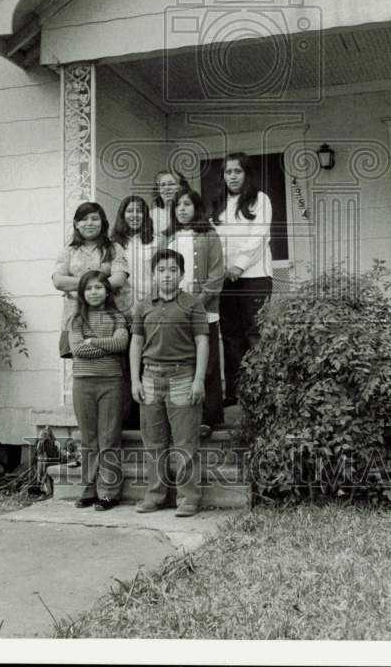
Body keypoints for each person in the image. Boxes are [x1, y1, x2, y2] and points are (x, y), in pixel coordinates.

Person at [130, 249, 209, 517]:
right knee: (153, 443)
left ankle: (189, 498)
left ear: (182, 274)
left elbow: (202, 341)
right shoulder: (142, 305)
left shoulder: (193, 304)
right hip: (150, 377)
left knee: (185, 442)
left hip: (183, 377)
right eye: (161, 270)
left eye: (173, 270)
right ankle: (155, 495)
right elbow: (136, 343)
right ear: (153, 274)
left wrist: (199, 380)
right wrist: (135, 380)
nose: (167, 275)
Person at [210, 153, 273, 406]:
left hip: (254, 275)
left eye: (237, 171)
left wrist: (239, 265)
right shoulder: (218, 204)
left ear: (247, 174)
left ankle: (261, 390)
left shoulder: (259, 200)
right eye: (228, 172)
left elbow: (258, 235)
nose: (232, 176)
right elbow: (213, 241)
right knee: (231, 335)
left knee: (254, 332)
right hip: (224, 278)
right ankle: (236, 392)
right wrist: (219, 271)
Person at [164, 188, 225, 433]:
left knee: (207, 365)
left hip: (202, 310)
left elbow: (216, 275)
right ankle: (180, 417)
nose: (182, 209)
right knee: (181, 363)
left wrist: (196, 303)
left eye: (187, 204)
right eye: (178, 205)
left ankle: (208, 418)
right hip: (175, 311)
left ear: (196, 207)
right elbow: (159, 273)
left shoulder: (209, 235)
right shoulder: (168, 238)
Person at [67, 270, 129, 511]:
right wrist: (105, 346)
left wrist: (92, 341)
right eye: (89, 288)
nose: (94, 292)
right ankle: (89, 489)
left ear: (107, 291)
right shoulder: (76, 320)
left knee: (109, 438)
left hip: (111, 383)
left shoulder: (117, 318)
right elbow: (77, 350)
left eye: (99, 287)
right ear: (82, 293)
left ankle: (110, 492)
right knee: (89, 440)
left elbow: (121, 343)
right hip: (83, 383)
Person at [52, 201, 128, 335]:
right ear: (76, 224)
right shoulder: (68, 251)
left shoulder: (114, 249)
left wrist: (75, 284)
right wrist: (99, 283)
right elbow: (58, 281)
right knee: (78, 354)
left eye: (94, 219)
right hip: (75, 318)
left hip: (108, 321)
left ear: (102, 223)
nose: (89, 223)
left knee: (110, 353)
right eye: (84, 219)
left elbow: (118, 280)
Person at [111, 195, 155, 316]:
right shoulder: (112, 245)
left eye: (139, 211)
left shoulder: (155, 242)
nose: (135, 215)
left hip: (149, 309)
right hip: (120, 310)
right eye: (130, 211)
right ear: (122, 215)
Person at [150, 169, 192, 240]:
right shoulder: (151, 216)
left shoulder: (190, 213)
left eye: (171, 184)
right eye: (162, 185)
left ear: (181, 187)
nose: (166, 188)